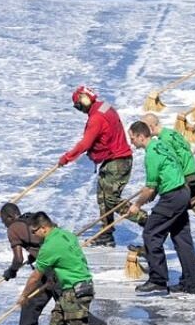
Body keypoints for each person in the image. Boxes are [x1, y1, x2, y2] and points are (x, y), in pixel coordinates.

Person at [0, 203, 122, 325]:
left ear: (10, 217)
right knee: (46, 305)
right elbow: (44, 241)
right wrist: (34, 255)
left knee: (68, 308)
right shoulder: (33, 221)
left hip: (51, 272)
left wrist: (11, 271)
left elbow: (18, 259)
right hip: (55, 268)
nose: (4, 224)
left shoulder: (13, 229)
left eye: (3, 220)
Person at [21, 212, 98, 325]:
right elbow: (73, 260)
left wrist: (24, 296)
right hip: (72, 288)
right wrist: (56, 279)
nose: (34, 235)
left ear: (44, 228)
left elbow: (35, 277)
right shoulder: (66, 234)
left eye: (35, 231)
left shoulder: (50, 245)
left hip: (75, 291)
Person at [59, 85, 142, 247]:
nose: (80, 110)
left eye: (78, 106)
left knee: (110, 199)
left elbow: (85, 143)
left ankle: (146, 220)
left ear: (84, 101)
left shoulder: (96, 118)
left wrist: (66, 158)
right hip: (113, 159)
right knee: (102, 197)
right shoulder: (105, 106)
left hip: (118, 160)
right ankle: (106, 233)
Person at [141, 114, 195, 263]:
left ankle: (151, 246)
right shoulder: (172, 133)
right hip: (194, 175)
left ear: (150, 127)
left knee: (167, 213)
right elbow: (188, 149)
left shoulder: (163, 141)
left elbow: (172, 163)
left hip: (184, 180)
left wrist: (156, 187)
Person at [126, 121, 195, 295]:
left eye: (132, 138)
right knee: (182, 239)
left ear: (141, 136)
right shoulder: (161, 144)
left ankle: (158, 279)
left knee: (151, 233)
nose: (132, 142)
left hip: (172, 197)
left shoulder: (151, 154)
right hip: (183, 191)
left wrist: (137, 205)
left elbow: (150, 187)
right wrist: (153, 191)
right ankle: (190, 284)